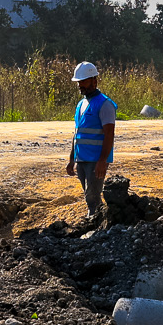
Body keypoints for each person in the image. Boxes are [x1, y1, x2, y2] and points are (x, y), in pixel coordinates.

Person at [67, 60, 118, 223]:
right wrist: (71, 159)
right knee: (89, 195)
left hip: (96, 160)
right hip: (82, 159)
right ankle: (97, 221)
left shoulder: (105, 104)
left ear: (94, 81)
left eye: (83, 81)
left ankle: (96, 224)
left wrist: (102, 161)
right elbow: (77, 134)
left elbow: (109, 135)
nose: (80, 85)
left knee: (92, 196)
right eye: (79, 82)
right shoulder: (81, 104)